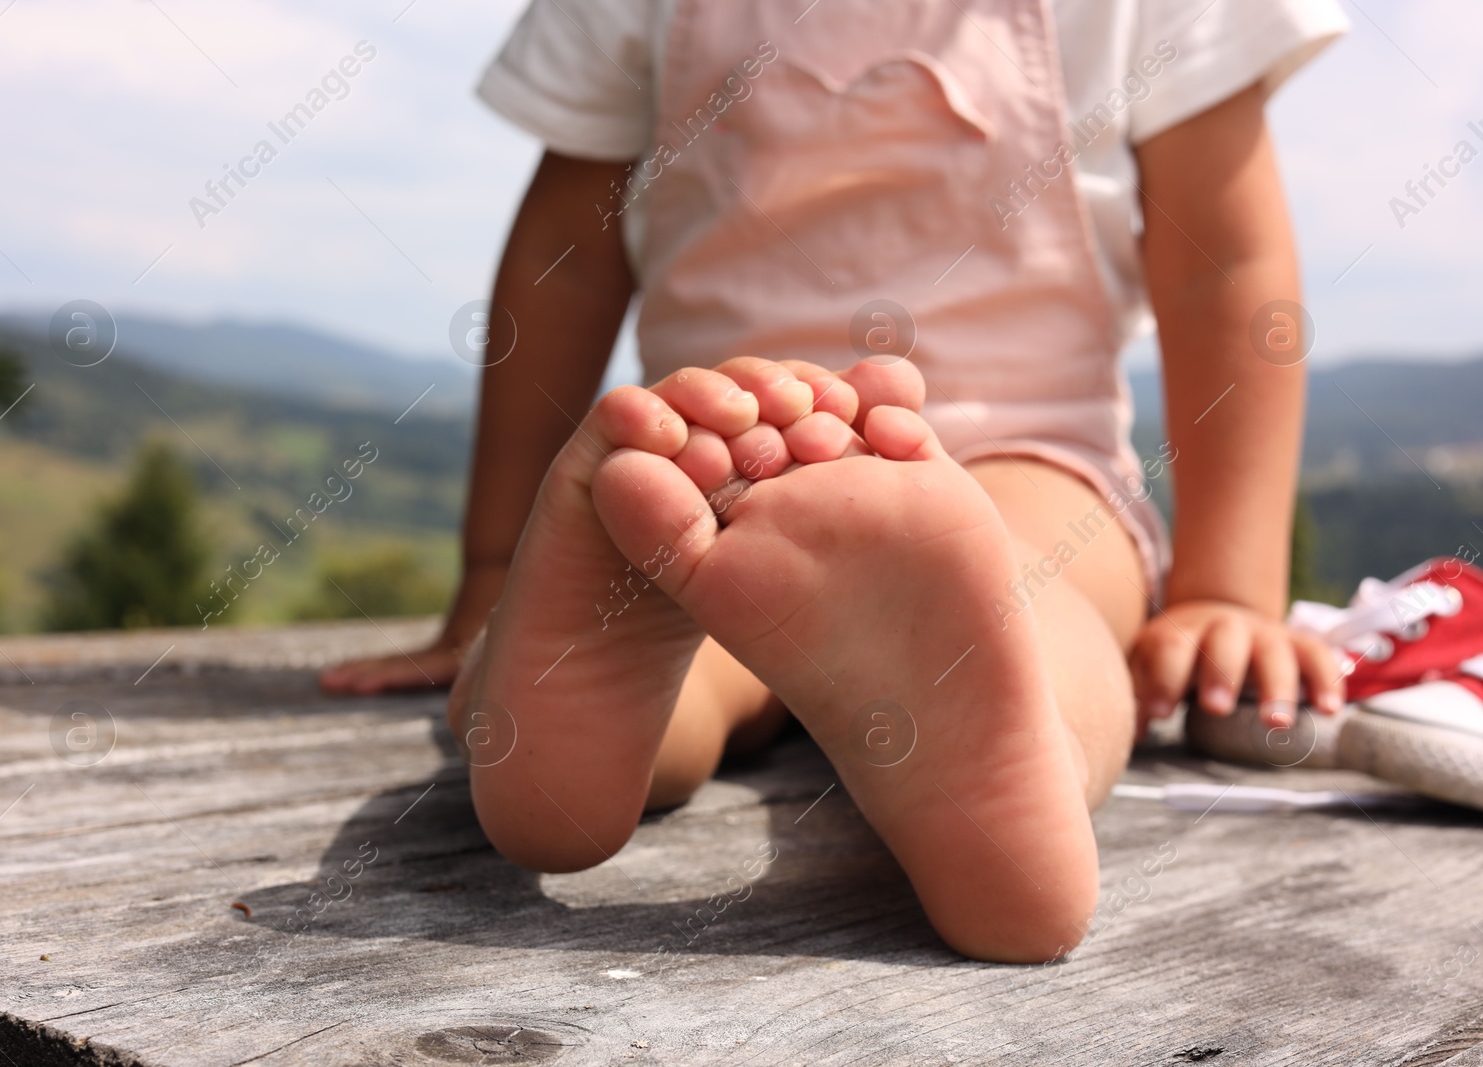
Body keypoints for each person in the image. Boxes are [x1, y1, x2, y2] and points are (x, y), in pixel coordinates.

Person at [321, 0, 1350, 962]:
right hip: (774, 455)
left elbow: (566, 256)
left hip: (842, 457)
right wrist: (1218, 583)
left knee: (968, 590)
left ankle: (583, 686)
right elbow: (1224, 264)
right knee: (1031, 600)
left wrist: (1228, 593)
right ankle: (616, 719)